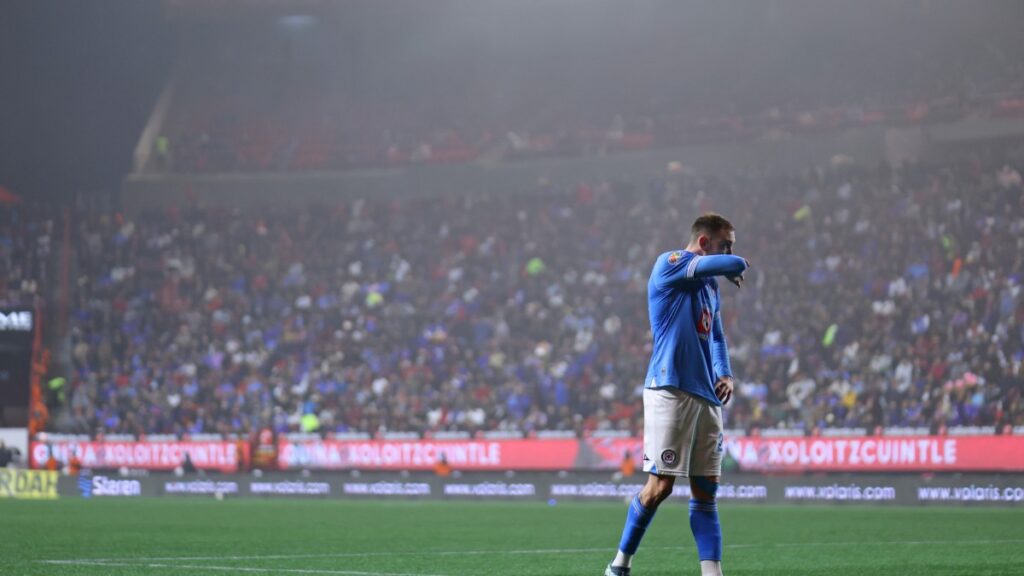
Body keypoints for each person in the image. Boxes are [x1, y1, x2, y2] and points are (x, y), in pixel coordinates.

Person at [606, 213, 748, 576]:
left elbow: (716, 336)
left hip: (707, 397)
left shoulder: (709, 287)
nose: (729, 251)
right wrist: (732, 263)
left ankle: (712, 573)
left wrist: (726, 374)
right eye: (724, 243)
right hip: (669, 390)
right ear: (704, 243)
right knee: (660, 486)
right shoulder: (671, 264)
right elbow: (737, 263)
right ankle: (619, 565)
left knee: (706, 490)